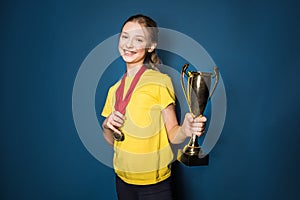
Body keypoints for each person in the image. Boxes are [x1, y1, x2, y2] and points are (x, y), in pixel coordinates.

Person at [101, 14, 207, 200]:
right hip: (122, 180)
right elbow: (111, 140)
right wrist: (106, 125)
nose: (129, 44)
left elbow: (173, 134)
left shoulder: (160, 81)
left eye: (138, 39)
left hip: (155, 185)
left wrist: (186, 129)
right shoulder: (114, 90)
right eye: (125, 36)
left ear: (150, 46)